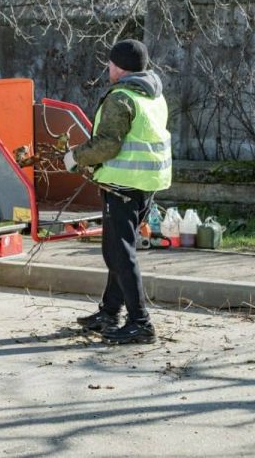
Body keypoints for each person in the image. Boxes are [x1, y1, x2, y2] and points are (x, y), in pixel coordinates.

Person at [63, 39, 172, 344]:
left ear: (119, 67)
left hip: (122, 186)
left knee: (120, 254)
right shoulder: (153, 94)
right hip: (146, 184)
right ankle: (110, 311)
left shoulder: (121, 97)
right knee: (118, 250)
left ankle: (140, 322)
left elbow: (108, 145)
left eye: (110, 63)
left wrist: (75, 157)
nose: (107, 68)